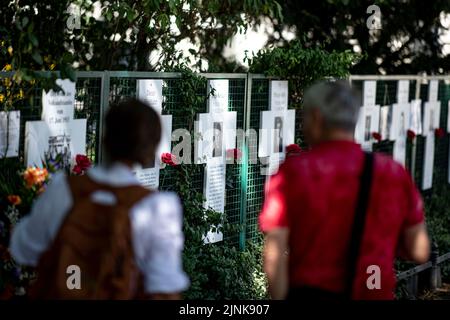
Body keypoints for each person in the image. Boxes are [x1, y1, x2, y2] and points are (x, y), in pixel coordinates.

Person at [259, 80, 430, 300]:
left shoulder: (293, 172)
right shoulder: (392, 172)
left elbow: (275, 249)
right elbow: (419, 250)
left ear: (317, 118)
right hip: (373, 289)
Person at [10, 98, 189, 299]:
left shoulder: (64, 189)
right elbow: (164, 284)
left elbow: (22, 248)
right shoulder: (156, 208)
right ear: (151, 148)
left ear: (105, 138)